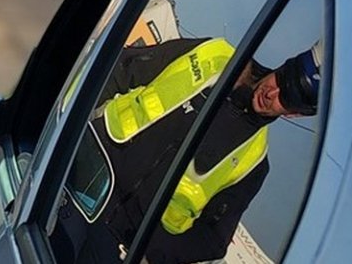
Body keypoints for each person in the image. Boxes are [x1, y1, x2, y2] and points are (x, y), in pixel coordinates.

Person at [57, 37, 322, 264]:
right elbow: (124, 68)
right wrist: (63, 120)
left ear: (294, 114)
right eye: (282, 78)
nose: (273, 92)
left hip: (117, 245)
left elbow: (213, 240)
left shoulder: (254, 162)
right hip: (78, 177)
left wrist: (148, 249)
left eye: (287, 97)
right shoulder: (215, 55)